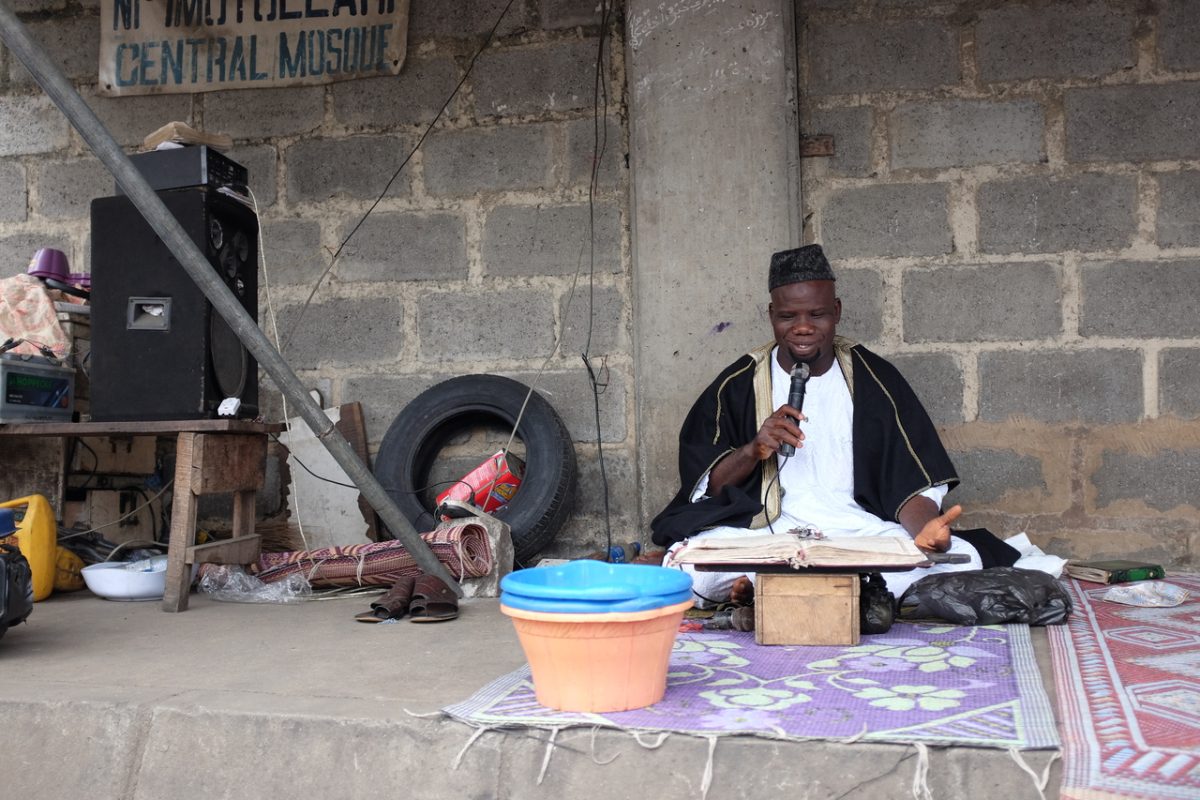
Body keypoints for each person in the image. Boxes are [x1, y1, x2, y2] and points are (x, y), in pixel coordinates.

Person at [651, 244, 1016, 606]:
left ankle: (767, 591)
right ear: (771, 315)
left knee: (960, 561)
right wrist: (752, 451)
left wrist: (926, 534)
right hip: (766, 534)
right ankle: (841, 592)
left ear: (837, 312)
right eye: (788, 316)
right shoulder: (738, 383)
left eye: (817, 314)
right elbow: (706, 489)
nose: (803, 328)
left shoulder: (875, 380)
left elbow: (909, 479)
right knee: (695, 568)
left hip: (855, 533)